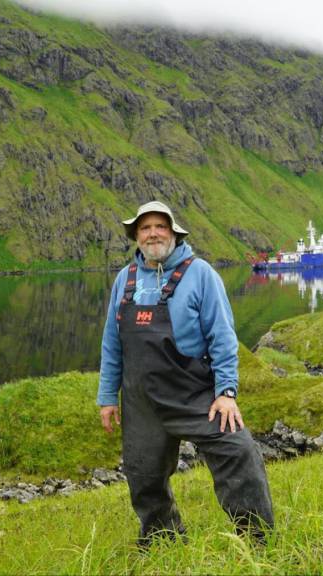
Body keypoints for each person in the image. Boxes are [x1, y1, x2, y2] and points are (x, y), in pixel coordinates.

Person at [98, 200, 274, 547]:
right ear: (136, 235)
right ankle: (163, 538)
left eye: (160, 226)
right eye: (145, 228)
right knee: (144, 475)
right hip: (141, 401)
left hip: (194, 395)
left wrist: (226, 393)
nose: (153, 234)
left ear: (174, 232)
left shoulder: (201, 274)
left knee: (237, 450)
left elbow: (222, 338)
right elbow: (111, 343)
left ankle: (257, 538)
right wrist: (107, 396)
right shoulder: (125, 279)